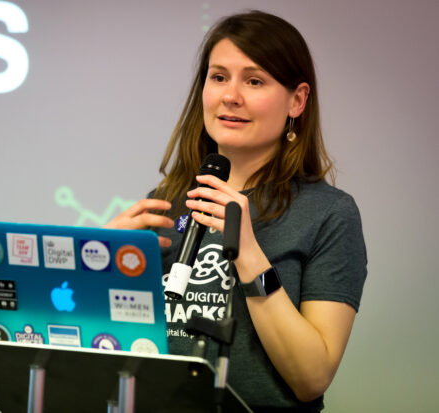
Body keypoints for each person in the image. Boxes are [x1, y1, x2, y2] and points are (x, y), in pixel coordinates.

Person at [105, 10, 367, 412]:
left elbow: (311, 378)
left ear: (297, 100)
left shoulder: (328, 214)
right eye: (219, 77)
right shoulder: (167, 200)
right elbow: (113, 346)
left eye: (255, 80)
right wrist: (102, 264)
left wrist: (248, 253)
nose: (231, 96)